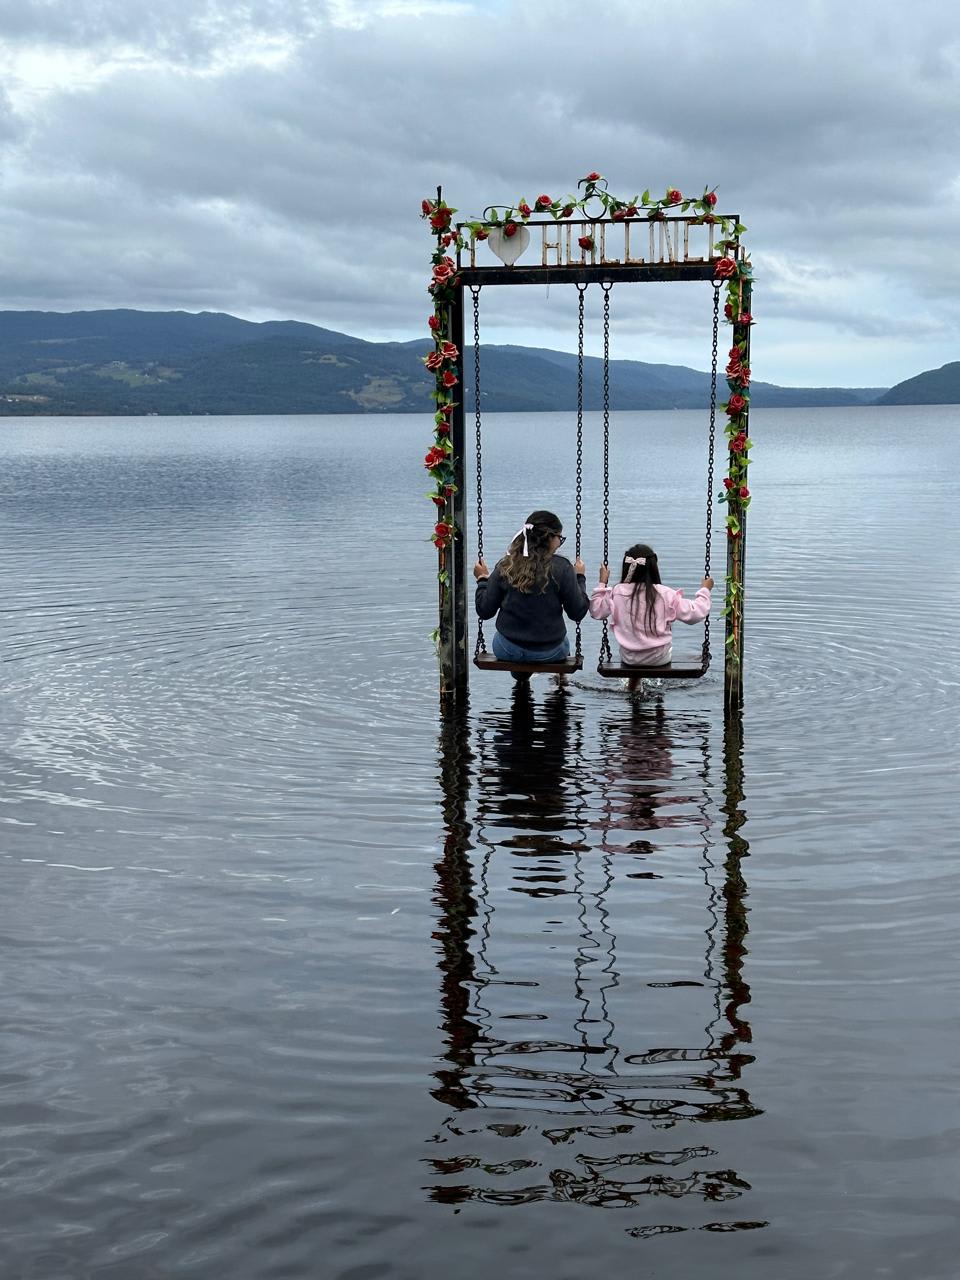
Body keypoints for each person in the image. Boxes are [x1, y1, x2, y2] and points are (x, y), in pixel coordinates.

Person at [474, 510, 589, 679]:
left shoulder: (505, 566)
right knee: (562, 642)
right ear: (550, 537)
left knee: (514, 646)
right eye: (560, 538)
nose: (560, 543)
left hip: (508, 649)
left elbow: (484, 610)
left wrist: (483, 579)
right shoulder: (562, 567)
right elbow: (577, 612)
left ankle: (522, 685)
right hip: (551, 652)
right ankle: (559, 687)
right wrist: (579, 577)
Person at [590, 543, 713, 692]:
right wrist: (705, 590)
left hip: (630, 658)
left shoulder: (617, 592)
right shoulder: (665, 594)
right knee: (657, 646)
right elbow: (696, 613)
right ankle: (658, 702)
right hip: (658, 658)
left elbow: (596, 611)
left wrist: (602, 582)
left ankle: (633, 687)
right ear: (654, 566)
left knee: (636, 648)